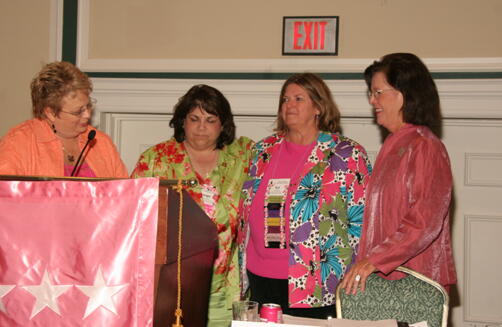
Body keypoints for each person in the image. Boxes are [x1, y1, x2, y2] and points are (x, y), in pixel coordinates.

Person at [239, 73, 371, 319]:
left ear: (318, 107)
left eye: (299, 99)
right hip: (261, 274)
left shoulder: (345, 154)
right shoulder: (263, 150)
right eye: (285, 99)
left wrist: (357, 270)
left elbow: (362, 219)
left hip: (315, 279)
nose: (289, 105)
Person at [131, 84, 253, 327]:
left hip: (227, 287)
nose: (201, 127)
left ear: (222, 125)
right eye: (194, 118)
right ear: (182, 121)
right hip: (170, 289)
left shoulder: (243, 156)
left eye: (210, 120)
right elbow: (132, 216)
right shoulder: (156, 159)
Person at [340, 53, 457, 295]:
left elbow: (424, 222)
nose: (373, 101)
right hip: (385, 282)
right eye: (370, 94)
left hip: (415, 283)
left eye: (378, 92)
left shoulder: (425, 146)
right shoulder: (394, 144)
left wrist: (375, 260)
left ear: (405, 93)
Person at [0, 61, 128, 178]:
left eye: (88, 106)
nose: (87, 115)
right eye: (78, 111)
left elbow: (124, 197)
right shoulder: (19, 143)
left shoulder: (101, 143)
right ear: (50, 113)